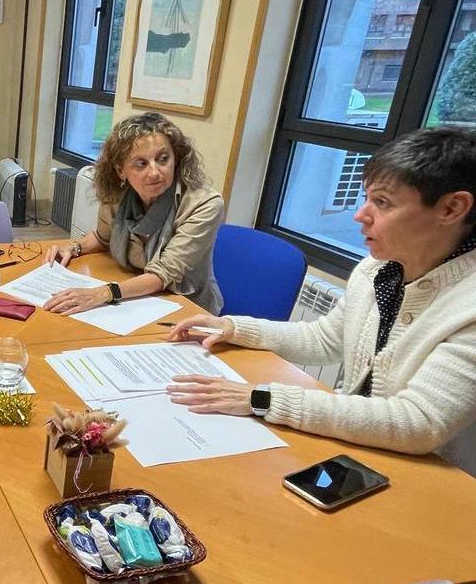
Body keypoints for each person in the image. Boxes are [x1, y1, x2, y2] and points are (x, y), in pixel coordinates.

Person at [165, 127, 476, 478]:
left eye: (383, 203)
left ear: (452, 208)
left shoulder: (467, 304)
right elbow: (325, 338)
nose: (360, 215)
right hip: (362, 452)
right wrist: (234, 327)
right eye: (367, 198)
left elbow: (418, 423)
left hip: (435, 480)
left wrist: (262, 398)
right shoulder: (378, 269)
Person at [42, 112, 225, 315]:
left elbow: (163, 274)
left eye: (163, 159)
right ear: (121, 170)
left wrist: (102, 293)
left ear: (176, 158)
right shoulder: (116, 195)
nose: (154, 172)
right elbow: (103, 238)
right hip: (133, 294)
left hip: (186, 308)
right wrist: (74, 247)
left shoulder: (204, 203)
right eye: (141, 163)